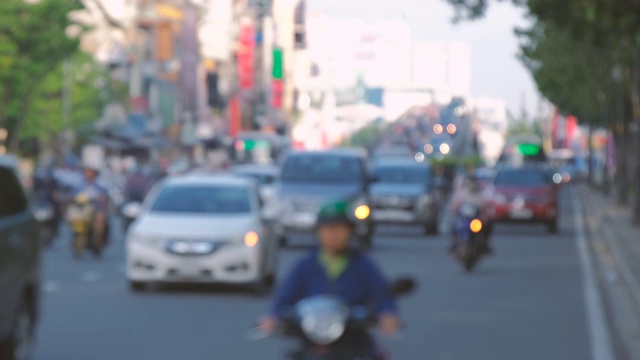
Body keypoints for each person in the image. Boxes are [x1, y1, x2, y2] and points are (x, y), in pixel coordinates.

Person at [259, 199, 400, 353]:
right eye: (327, 229)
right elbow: (284, 295)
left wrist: (388, 313)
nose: (332, 235)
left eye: (338, 229)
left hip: (353, 338)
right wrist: (273, 316)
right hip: (311, 338)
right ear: (318, 232)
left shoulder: (363, 265)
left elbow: (382, 293)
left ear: (349, 231)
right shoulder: (305, 266)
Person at [448, 173, 492, 255]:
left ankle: (485, 244)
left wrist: (485, 215)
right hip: (464, 218)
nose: (471, 185)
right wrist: (454, 210)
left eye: (473, 183)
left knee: (487, 226)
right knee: (454, 226)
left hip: (476, 219)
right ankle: (454, 244)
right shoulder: (462, 193)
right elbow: (454, 206)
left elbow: (486, 206)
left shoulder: (481, 194)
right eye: (469, 183)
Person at [76, 163, 110, 255]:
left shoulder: (100, 185)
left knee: (100, 223)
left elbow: (105, 198)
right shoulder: (79, 184)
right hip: (83, 210)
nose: (88, 174)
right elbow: (72, 195)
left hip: (96, 210)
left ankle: (97, 242)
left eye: (90, 172)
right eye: (86, 172)